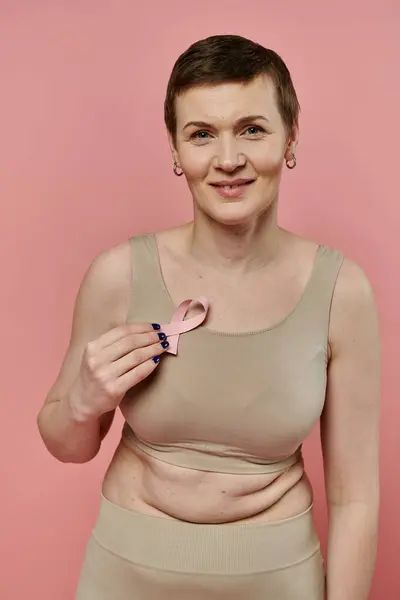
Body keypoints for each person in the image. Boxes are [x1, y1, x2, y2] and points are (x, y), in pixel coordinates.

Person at [37, 34, 381, 600]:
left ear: (290, 136)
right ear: (175, 151)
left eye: (252, 128)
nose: (227, 159)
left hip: (277, 579)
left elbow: (356, 500)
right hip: (124, 574)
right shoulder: (118, 274)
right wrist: (81, 401)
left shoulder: (342, 292)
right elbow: (68, 443)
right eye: (201, 135)